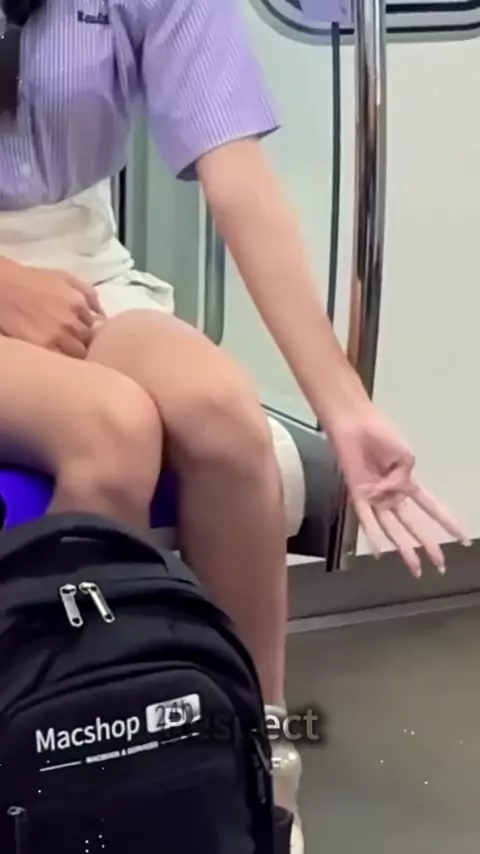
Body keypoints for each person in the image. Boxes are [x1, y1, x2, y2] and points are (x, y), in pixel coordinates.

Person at [0, 0, 469, 851]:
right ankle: (59, 756)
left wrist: (345, 408)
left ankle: (252, 751)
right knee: (109, 428)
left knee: (224, 415)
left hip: (80, 266)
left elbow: (237, 175)